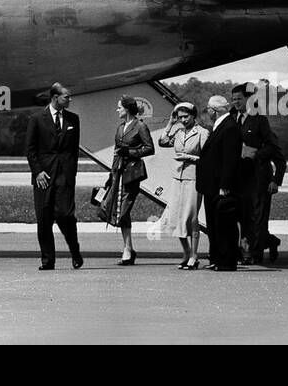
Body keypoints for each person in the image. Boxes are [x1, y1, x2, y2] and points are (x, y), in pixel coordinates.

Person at [25, 83, 83, 270]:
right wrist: (37, 171)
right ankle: (48, 260)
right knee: (44, 219)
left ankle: (74, 250)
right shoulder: (36, 119)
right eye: (67, 97)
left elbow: (74, 151)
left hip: (64, 176)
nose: (70, 100)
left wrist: (71, 173)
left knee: (65, 215)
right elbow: (30, 149)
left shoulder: (73, 119)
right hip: (44, 176)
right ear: (55, 97)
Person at [232, 82, 287, 264]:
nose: (235, 102)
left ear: (249, 99)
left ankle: (254, 255)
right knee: (242, 215)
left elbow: (273, 148)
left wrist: (255, 153)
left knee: (258, 217)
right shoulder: (232, 118)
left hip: (258, 177)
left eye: (239, 99)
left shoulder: (259, 120)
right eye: (233, 99)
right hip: (239, 177)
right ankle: (270, 241)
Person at [102, 95, 155, 264]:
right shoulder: (120, 128)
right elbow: (117, 152)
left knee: (123, 210)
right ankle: (128, 249)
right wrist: (111, 176)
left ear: (127, 109)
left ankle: (128, 249)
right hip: (118, 171)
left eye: (119, 107)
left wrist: (130, 152)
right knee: (118, 210)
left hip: (132, 173)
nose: (117, 110)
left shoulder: (140, 126)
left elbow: (149, 148)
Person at [157, 102, 208, 269]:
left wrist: (191, 158)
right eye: (180, 118)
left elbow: (209, 158)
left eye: (186, 117)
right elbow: (162, 142)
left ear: (194, 116)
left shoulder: (202, 133)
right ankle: (186, 252)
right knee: (176, 217)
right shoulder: (178, 132)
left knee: (191, 218)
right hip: (177, 178)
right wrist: (170, 124)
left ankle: (194, 255)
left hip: (193, 179)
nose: (183, 120)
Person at [197, 95, 242, 271]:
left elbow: (230, 159)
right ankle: (217, 258)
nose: (207, 111)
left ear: (214, 110)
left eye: (208, 108)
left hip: (220, 186)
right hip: (211, 185)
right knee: (215, 224)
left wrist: (225, 185)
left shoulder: (229, 127)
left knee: (224, 225)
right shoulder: (221, 126)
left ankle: (227, 261)